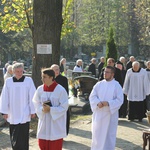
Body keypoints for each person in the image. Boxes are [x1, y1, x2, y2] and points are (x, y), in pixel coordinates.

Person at [0, 63, 36, 150]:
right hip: (12, 112)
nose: (19, 73)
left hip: (25, 111)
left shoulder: (28, 80)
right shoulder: (8, 81)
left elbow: (33, 96)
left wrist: (33, 110)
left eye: (21, 71)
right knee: (14, 135)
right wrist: (4, 111)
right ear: (13, 71)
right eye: (17, 71)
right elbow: (4, 96)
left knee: (23, 135)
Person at [32, 68, 68, 150]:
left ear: (51, 77)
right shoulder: (40, 89)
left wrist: (51, 109)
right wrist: (41, 109)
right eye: (42, 77)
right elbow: (35, 102)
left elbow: (64, 106)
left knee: (54, 146)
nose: (42, 79)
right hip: (44, 122)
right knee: (42, 145)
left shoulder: (60, 90)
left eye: (45, 77)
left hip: (55, 124)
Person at [89, 66, 123, 150]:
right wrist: (97, 103)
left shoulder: (116, 85)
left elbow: (119, 100)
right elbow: (92, 96)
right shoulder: (99, 84)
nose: (105, 73)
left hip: (110, 115)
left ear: (112, 74)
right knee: (97, 135)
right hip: (99, 114)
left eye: (107, 72)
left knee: (109, 136)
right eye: (104, 72)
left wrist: (108, 103)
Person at [50, 64, 70, 135]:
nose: (56, 71)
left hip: (61, 101)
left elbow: (66, 91)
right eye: (54, 70)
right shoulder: (49, 79)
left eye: (57, 69)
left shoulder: (63, 79)